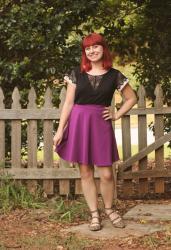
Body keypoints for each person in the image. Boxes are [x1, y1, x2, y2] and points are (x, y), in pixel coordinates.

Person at [53, 33, 137, 231]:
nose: (91, 51)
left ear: (103, 48)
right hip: (79, 123)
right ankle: (94, 214)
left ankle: (109, 209)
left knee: (107, 173)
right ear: (85, 52)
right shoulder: (76, 73)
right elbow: (69, 103)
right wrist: (59, 130)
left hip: (100, 124)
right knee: (86, 171)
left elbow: (131, 98)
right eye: (87, 48)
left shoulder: (115, 75)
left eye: (95, 47)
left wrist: (116, 115)